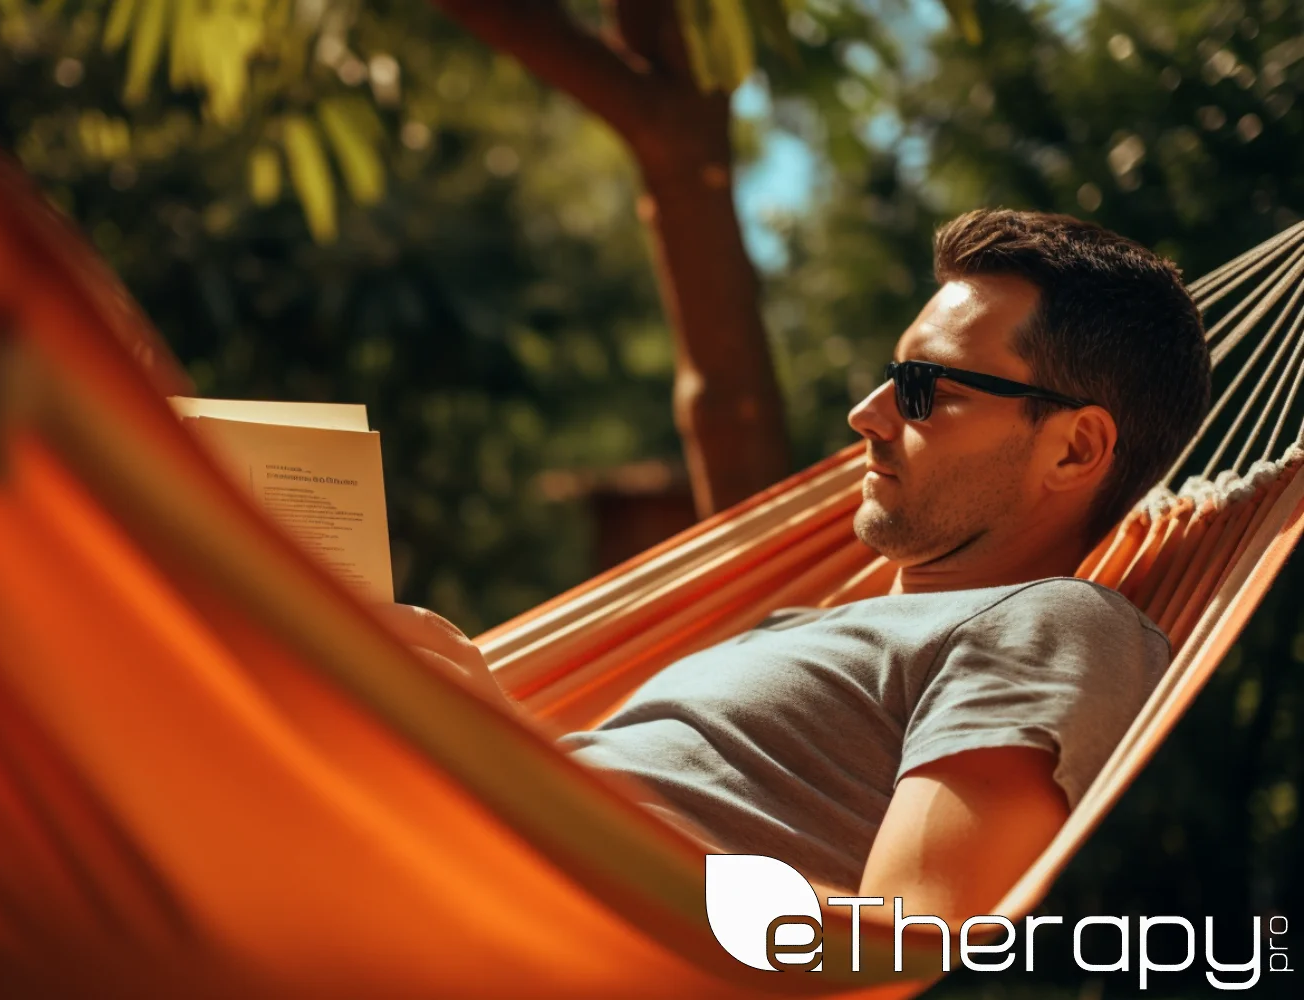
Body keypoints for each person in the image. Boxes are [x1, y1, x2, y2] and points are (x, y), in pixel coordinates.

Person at [380, 209, 1211, 923]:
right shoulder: (795, 628)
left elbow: (895, 940)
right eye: (892, 377)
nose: (867, 414)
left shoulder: (1052, 623)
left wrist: (511, 777)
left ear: (1076, 449)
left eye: (927, 389)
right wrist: (501, 742)